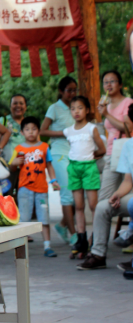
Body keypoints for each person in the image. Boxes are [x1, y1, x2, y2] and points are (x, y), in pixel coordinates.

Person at [77, 103, 133, 272]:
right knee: (103, 207)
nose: (128, 124)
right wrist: (117, 194)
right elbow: (128, 181)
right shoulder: (129, 146)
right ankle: (98, 255)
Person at [8, 116, 61, 257]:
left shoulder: (44, 147)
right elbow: (12, 169)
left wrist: (54, 180)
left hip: (42, 188)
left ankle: (47, 246)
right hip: (24, 188)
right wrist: (14, 162)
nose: (30, 132)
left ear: (38, 131)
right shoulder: (18, 149)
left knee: (44, 217)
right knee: (24, 219)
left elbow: (49, 165)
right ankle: (21, 249)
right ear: (22, 132)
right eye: (27, 129)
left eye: (33, 129)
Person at [63, 96, 106, 259]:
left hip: (89, 167)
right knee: (79, 206)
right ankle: (81, 240)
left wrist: (89, 157)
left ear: (87, 110)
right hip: (73, 168)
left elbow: (101, 150)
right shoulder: (68, 131)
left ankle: (96, 238)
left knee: (94, 205)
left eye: (80, 108)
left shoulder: (91, 128)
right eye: (73, 108)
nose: (76, 111)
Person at [40, 75, 77, 245]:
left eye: (74, 90)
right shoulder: (54, 108)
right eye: (69, 90)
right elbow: (43, 131)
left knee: (78, 195)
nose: (72, 93)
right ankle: (74, 234)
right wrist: (63, 133)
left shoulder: (77, 107)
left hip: (76, 154)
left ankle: (63, 224)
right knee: (67, 195)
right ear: (61, 91)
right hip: (59, 154)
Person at [97, 70, 133, 201]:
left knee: (129, 192)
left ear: (120, 85)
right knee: (104, 196)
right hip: (111, 152)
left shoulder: (127, 102)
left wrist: (106, 114)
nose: (108, 85)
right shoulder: (108, 105)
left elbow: (128, 127)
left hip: (127, 151)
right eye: (105, 82)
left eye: (112, 81)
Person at [0, 94, 27, 161]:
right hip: (7, 165)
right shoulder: (3, 121)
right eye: (15, 103)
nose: (18, 106)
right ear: (10, 106)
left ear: (26, 107)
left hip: (27, 166)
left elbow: (37, 144)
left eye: (21, 103)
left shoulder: (30, 123)